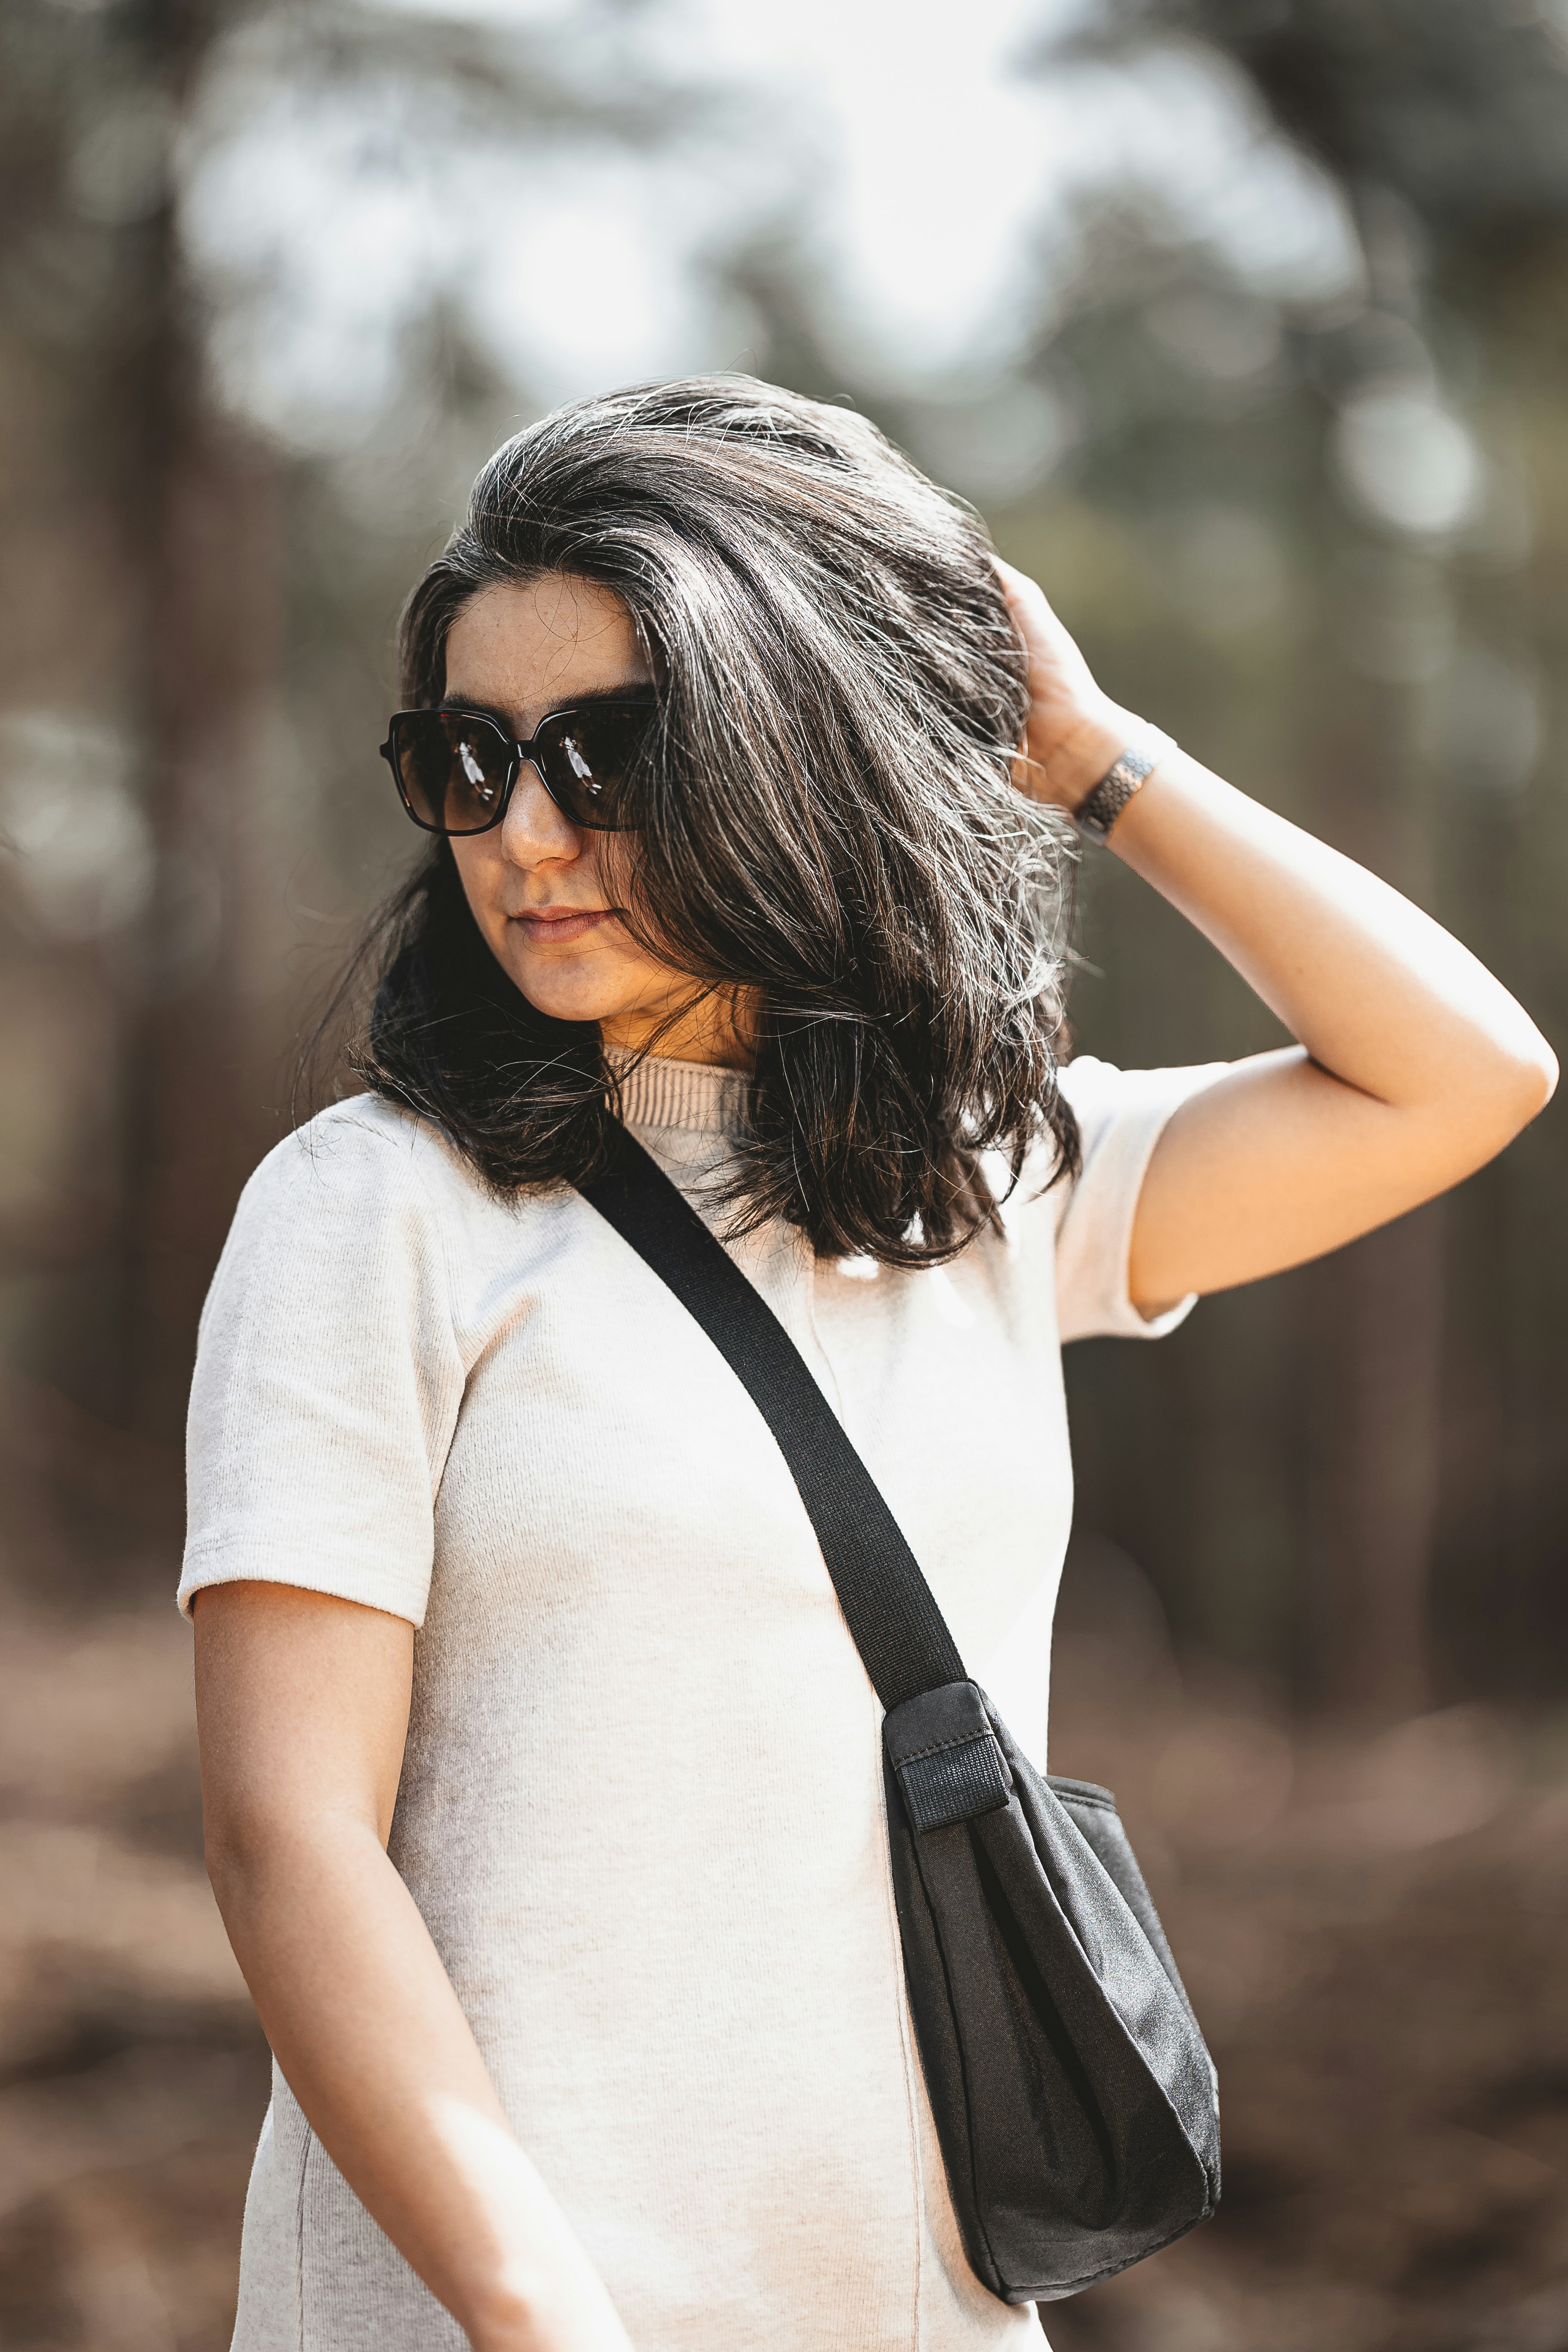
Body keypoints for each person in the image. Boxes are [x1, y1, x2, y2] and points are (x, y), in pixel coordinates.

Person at [184, 376, 1556, 2352]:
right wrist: (542, 2320)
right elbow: (285, 1836)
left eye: (612, 754)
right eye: (469, 759)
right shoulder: (377, 1212)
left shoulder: (982, 1191)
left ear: (786, 750)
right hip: (494, 2319)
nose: (528, 831)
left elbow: (1468, 1072)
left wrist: (1092, 758)